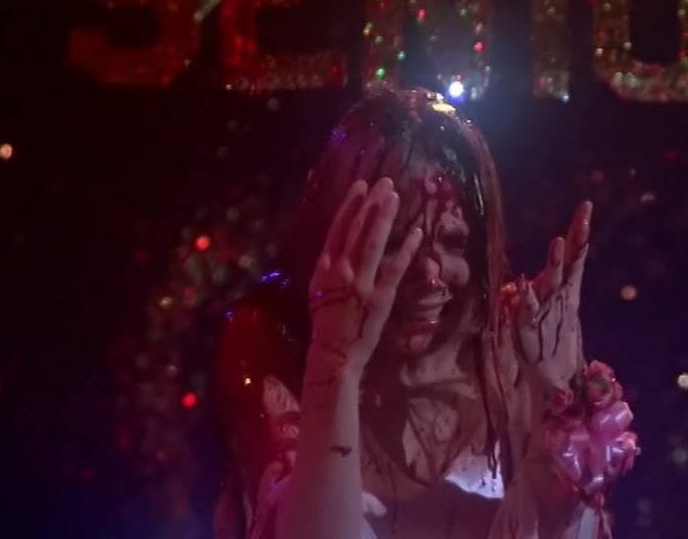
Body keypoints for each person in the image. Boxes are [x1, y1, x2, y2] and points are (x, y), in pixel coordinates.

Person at [212, 88, 638, 539]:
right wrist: (335, 367)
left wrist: (559, 405)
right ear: (337, 235)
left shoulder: (516, 348)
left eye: (454, 242)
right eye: (395, 243)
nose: (430, 277)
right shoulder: (278, 339)